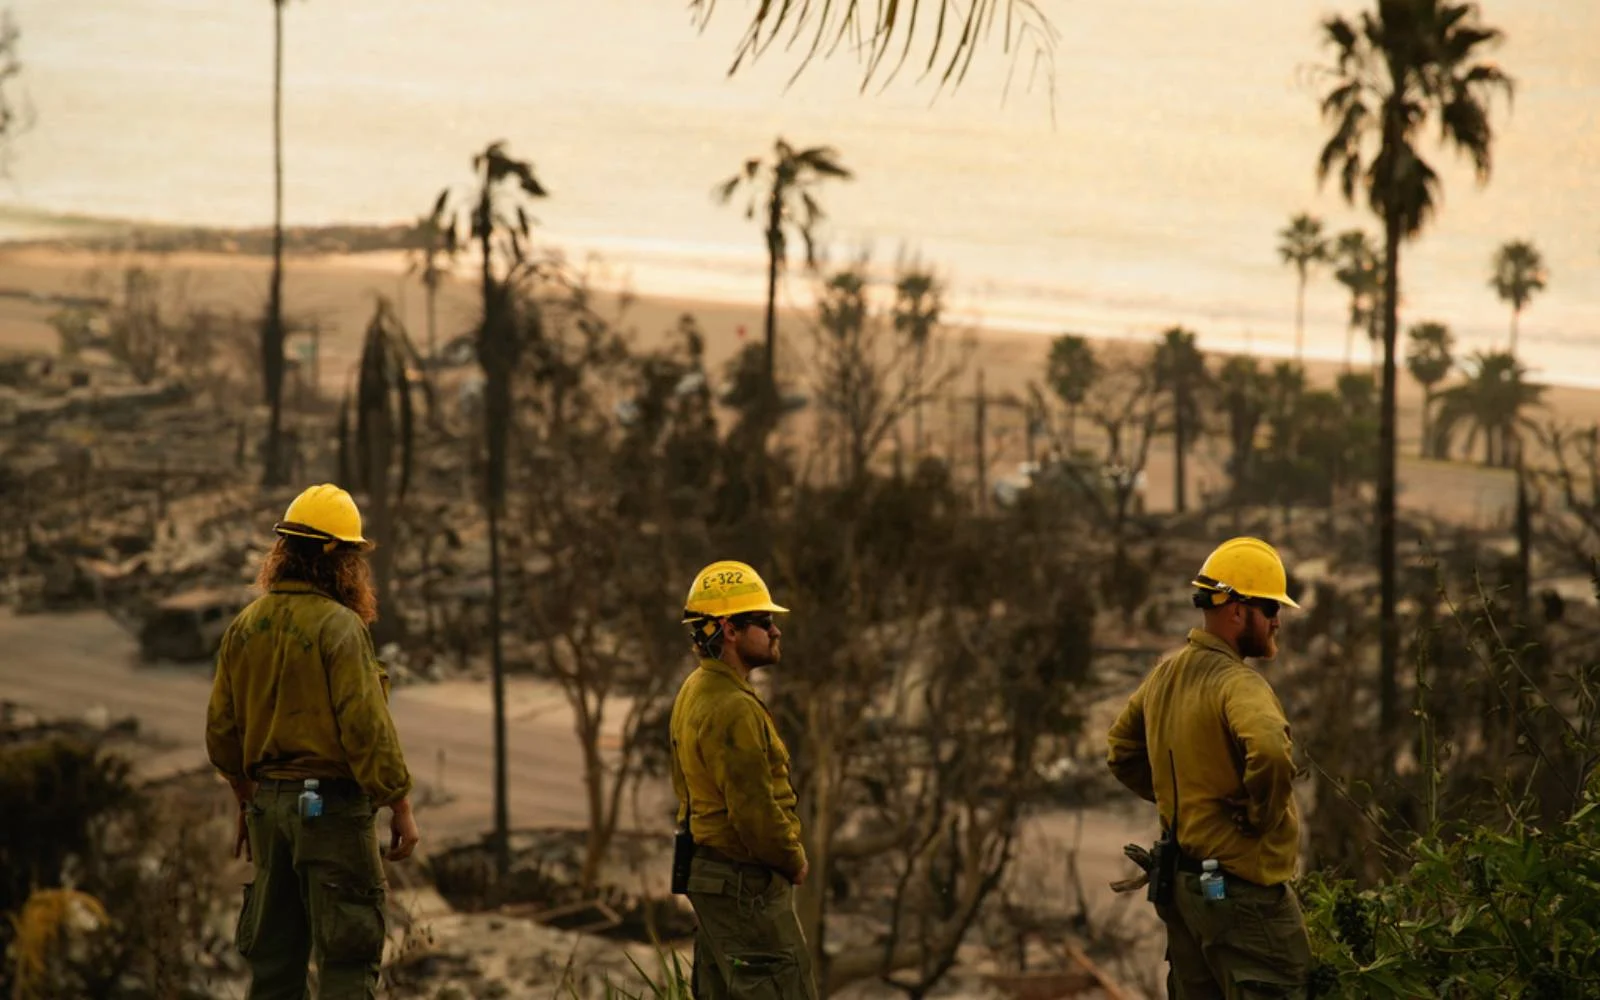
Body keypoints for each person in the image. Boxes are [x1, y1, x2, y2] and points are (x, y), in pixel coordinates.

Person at [206, 483, 420, 1000]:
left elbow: (221, 731)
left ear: (284, 552)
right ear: (337, 560)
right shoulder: (340, 628)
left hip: (268, 813)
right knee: (346, 959)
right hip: (330, 812)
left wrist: (245, 799)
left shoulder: (245, 625)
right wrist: (400, 804)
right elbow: (365, 727)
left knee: (275, 967)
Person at [1106, 537, 1312, 999]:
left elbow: (1120, 750)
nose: (1277, 620)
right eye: (1268, 608)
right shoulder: (1238, 684)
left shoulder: (1165, 675)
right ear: (1236, 610)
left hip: (1184, 890)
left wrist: (1183, 799)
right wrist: (1261, 814)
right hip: (1242, 897)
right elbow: (1272, 751)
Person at [669, 559, 818, 1000]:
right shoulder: (733, 707)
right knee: (781, 987)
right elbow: (754, 812)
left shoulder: (696, 688)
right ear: (729, 631)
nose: (775, 631)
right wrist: (793, 860)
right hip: (743, 887)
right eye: (763, 621)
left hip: (713, 879)